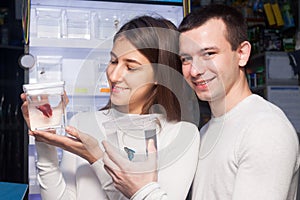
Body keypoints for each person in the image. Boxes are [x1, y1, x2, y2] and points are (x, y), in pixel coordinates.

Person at [101, 4, 300, 200]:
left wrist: (143, 191)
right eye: (186, 59)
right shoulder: (207, 130)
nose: (195, 71)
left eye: (209, 54)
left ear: (242, 53)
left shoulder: (265, 130)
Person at [21, 15, 200, 199]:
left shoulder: (180, 134)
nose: (113, 76)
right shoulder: (83, 122)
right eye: (113, 61)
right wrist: (44, 138)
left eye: (131, 67)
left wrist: (96, 157)